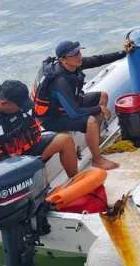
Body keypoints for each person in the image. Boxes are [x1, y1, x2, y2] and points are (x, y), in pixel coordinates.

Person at [32, 40, 129, 171]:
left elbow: (98, 60)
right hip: (52, 118)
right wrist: (98, 108)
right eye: (73, 54)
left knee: (103, 96)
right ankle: (97, 160)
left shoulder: (74, 64)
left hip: (67, 104)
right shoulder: (60, 81)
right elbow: (74, 113)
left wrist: (124, 52)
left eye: (78, 52)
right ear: (63, 60)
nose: (79, 56)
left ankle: (96, 139)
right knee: (90, 121)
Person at [0, 79, 79, 176]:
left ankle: (75, 179)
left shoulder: (17, 103)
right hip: (6, 163)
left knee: (65, 140)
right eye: (20, 106)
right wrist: (6, 160)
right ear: (4, 103)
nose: (23, 109)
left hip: (27, 150)